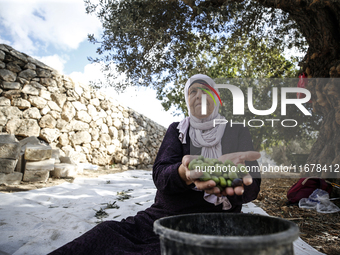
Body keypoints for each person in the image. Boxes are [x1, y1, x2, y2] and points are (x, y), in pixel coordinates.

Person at [49, 74, 261, 255]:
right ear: (187, 100)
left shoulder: (237, 130)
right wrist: (184, 173)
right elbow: (160, 175)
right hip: (163, 217)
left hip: (217, 224)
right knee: (104, 236)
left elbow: (252, 187)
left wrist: (235, 180)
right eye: (192, 91)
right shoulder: (178, 130)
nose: (198, 95)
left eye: (205, 90)